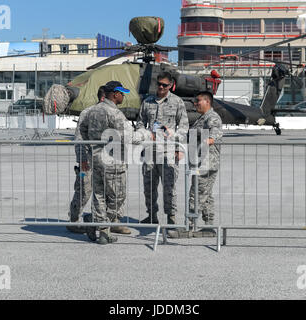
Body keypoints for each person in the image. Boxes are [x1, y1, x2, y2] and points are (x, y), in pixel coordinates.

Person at [80, 81, 151, 244]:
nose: (123, 96)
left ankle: (99, 227)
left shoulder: (92, 110)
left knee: (99, 195)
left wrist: (89, 148)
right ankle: (99, 224)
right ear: (114, 94)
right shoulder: (115, 114)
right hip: (113, 161)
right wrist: (146, 134)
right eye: (121, 93)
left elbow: (82, 131)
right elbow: (130, 138)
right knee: (117, 197)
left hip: (96, 158)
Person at [136, 72, 189, 226]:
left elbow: (184, 126)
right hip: (150, 152)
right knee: (149, 187)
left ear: (170, 86)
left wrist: (178, 146)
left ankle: (171, 218)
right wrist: (146, 134)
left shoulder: (177, 102)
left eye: (164, 85)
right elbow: (140, 123)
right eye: (158, 83)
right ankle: (152, 215)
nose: (160, 87)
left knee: (169, 187)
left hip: (169, 152)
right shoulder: (148, 102)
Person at [171, 91, 223, 238]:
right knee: (206, 195)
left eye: (198, 101)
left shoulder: (212, 117)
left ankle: (189, 227)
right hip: (199, 163)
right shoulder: (202, 118)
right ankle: (208, 226)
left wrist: (208, 141)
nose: (195, 103)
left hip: (206, 164)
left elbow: (216, 134)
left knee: (196, 194)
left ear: (207, 102)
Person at [66, 86, 106, 234]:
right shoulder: (87, 113)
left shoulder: (112, 113)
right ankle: (74, 220)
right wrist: (82, 159)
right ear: (103, 98)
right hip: (87, 162)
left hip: (104, 161)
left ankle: (103, 221)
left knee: (104, 193)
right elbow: (79, 138)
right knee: (83, 189)